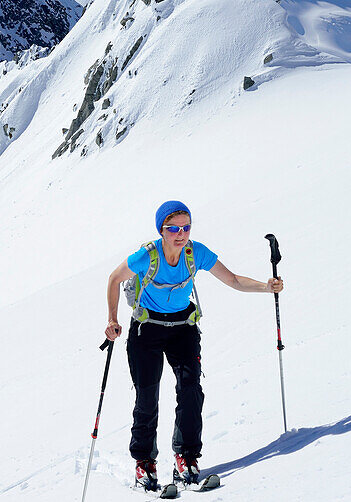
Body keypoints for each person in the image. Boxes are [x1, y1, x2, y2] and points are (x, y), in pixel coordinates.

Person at [105, 200, 283, 491]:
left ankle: (186, 458)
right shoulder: (147, 256)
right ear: (161, 230)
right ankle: (144, 463)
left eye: (186, 227)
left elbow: (233, 279)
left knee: (190, 390)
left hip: (182, 329)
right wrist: (112, 319)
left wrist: (267, 287)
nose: (181, 233)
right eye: (173, 228)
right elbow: (114, 278)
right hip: (146, 329)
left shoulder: (195, 252)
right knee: (147, 396)